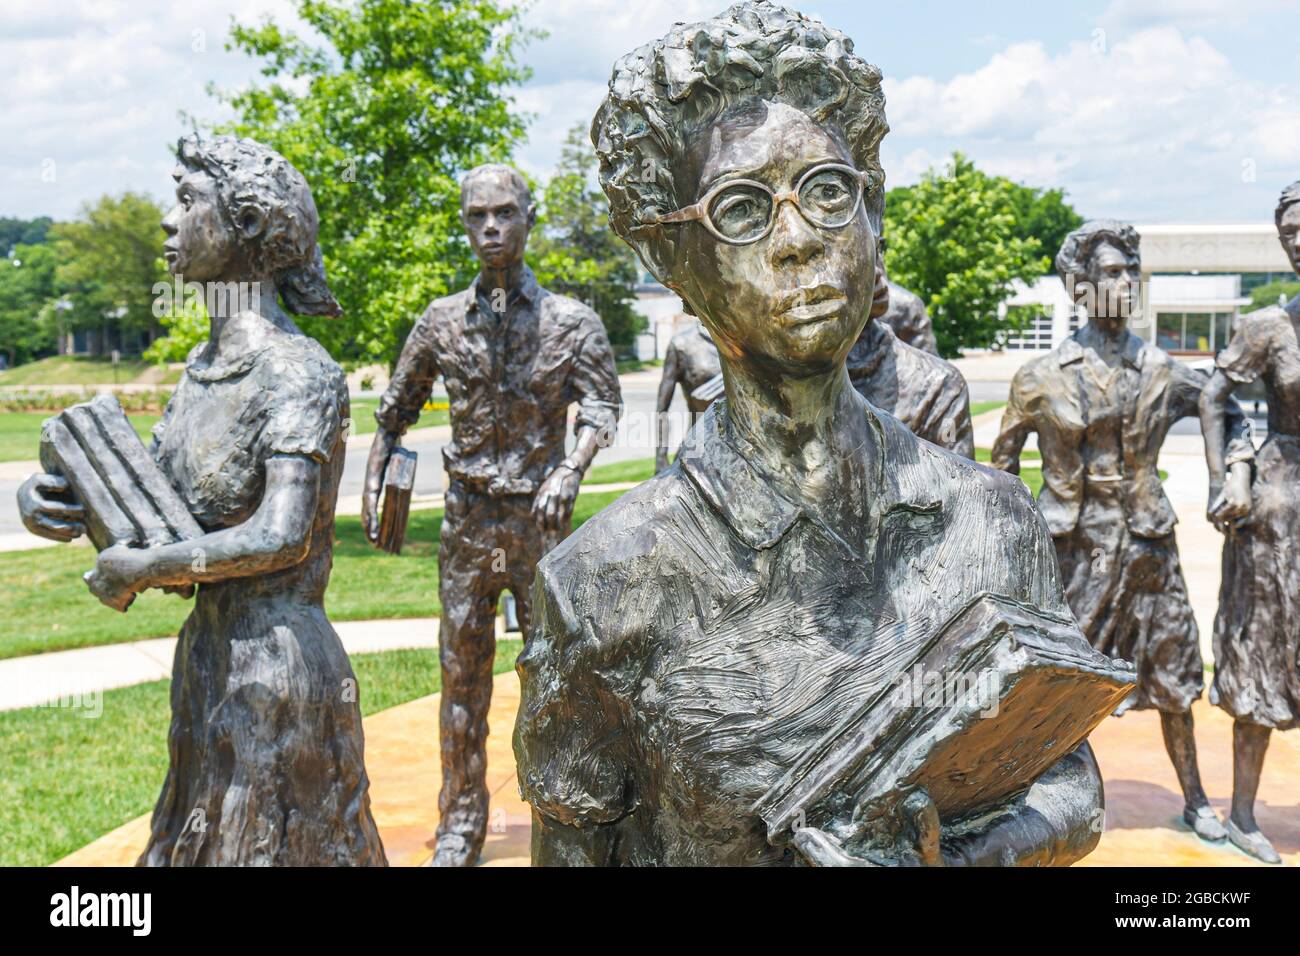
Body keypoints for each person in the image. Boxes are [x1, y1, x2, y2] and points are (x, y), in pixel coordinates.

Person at [513, 1, 1109, 867]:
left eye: (829, 193)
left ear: (871, 216)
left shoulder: (991, 517)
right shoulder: (603, 584)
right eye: (744, 209)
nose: (799, 241)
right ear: (669, 261)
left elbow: (1066, 778)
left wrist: (967, 857)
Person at [19, 135, 386, 865]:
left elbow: (283, 537)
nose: (167, 221)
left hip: (279, 671)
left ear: (246, 225)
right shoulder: (198, 375)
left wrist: (145, 568)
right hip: (209, 659)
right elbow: (151, 500)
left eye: (188, 201)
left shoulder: (297, 371)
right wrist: (49, 498)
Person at [360, 164, 621, 867]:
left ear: (530, 217)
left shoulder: (573, 322)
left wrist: (572, 467)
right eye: (477, 216)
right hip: (467, 523)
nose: (491, 229)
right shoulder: (441, 321)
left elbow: (603, 406)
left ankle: (562, 817)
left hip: (541, 524)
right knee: (461, 676)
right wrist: (376, 483)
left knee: (556, 679)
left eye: (504, 213)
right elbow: (394, 412)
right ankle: (461, 823)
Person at [992, 220, 1255, 848]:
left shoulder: (1164, 368)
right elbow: (996, 468)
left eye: (1129, 271)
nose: (1124, 282)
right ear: (1080, 288)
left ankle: (1194, 800)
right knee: (1054, 682)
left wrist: (1234, 473)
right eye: (1109, 272)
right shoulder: (1039, 376)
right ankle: (1023, 801)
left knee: (1172, 676)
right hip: (1070, 552)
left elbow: (1228, 410)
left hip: (1147, 548)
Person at [1196, 179, 1300, 864]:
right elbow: (1214, 393)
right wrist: (1224, 474)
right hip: (1280, 507)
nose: (1299, 241)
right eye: (1290, 230)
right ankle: (1240, 812)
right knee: (1263, 649)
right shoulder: (1268, 328)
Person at [655, 319, 722, 472]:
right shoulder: (682, 344)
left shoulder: (742, 341)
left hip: (743, 452)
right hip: (697, 451)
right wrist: (660, 456)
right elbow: (662, 408)